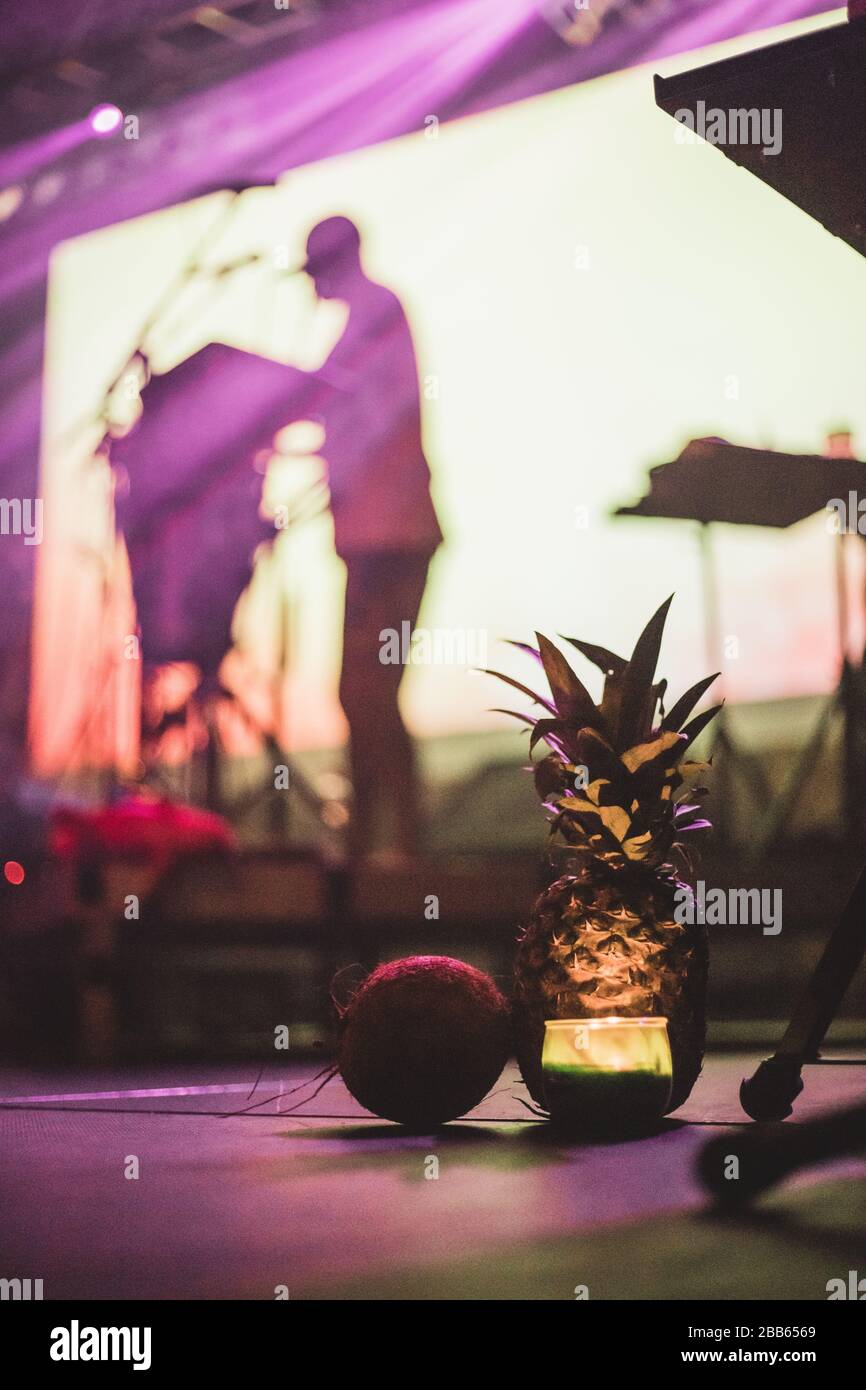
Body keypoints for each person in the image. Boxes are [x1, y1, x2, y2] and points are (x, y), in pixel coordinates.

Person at [301, 216, 442, 859]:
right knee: (365, 690)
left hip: (391, 537)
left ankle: (393, 846)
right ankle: (382, 843)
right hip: (383, 537)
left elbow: (374, 415)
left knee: (368, 689)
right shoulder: (371, 316)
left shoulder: (372, 314)